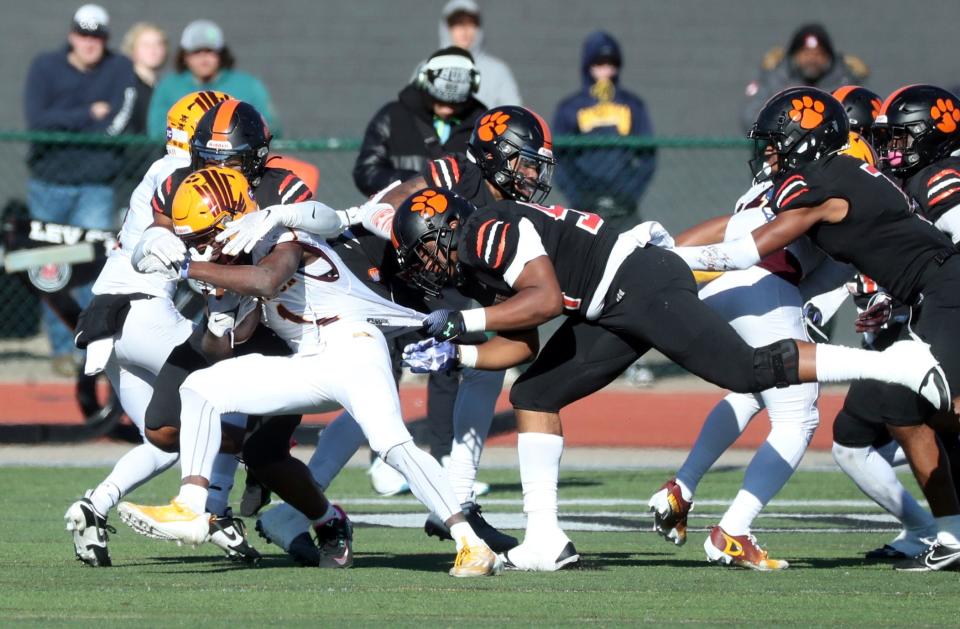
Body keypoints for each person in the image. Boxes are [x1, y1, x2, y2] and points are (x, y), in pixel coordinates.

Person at [119, 166, 504, 578]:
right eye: (194, 242)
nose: (201, 248)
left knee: (392, 445)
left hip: (353, 344)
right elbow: (223, 347)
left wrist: (186, 270)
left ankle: (471, 544)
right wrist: (218, 314)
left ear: (234, 218)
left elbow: (268, 280)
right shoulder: (231, 264)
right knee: (201, 387)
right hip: (309, 358)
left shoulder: (279, 235)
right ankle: (193, 508)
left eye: (205, 235)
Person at [669, 86, 960, 571]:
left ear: (807, 141)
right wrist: (889, 299)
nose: (768, 153)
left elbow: (744, 251)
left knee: (934, 405)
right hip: (928, 292)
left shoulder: (826, 180)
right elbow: (889, 252)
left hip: (947, 288)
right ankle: (949, 534)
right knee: (887, 410)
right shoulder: (846, 174)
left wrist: (661, 259)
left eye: (776, 141)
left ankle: (950, 532)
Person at [646, 134, 875, 571]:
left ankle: (682, 487)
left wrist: (671, 262)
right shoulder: (829, 190)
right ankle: (733, 529)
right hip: (765, 286)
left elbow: (728, 227)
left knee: (752, 390)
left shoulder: (772, 185)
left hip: (721, 284)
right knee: (799, 416)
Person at [62, 90, 263, 567]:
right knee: (225, 397)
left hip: (106, 320)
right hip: (144, 311)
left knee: (164, 439)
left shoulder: (163, 169)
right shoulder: (180, 176)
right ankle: (215, 510)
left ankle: (95, 505)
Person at [24, 4, 138, 376]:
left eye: (97, 36)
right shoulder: (45, 66)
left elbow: (118, 124)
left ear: (105, 39)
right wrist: (88, 114)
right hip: (48, 182)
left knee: (92, 270)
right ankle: (61, 349)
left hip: (95, 184)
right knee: (50, 267)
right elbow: (37, 120)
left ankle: (89, 344)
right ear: (72, 35)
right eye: (84, 35)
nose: (90, 43)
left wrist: (68, 123)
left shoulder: (119, 68)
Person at [553, 31, 656, 231]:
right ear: (587, 66)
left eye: (611, 65)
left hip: (624, 204)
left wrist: (629, 191)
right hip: (584, 202)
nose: (605, 71)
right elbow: (559, 157)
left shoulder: (633, 104)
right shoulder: (570, 107)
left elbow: (648, 155)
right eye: (599, 65)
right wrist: (578, 194)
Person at [354, 46, 487, 196]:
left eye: (456, 103)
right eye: (440, 101)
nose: (448, 109)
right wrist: (420, 183)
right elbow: (366, 172)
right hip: (399, 214)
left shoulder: (484, 126)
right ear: (423, 83)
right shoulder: (392, 116)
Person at [146, 19, 279, 139]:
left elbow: (271, 127)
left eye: (210, 51)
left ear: (221, 54)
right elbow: (156, 131)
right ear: (185, 55)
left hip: (236, 160)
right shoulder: (169, 87)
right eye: (196, 51)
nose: (204, 58)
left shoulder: (249, 86)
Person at [740, 24, 869, 132]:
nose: (812, 59)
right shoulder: (776, 77)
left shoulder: (845, 80)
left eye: (819, 54)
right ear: (793, 55)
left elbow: (864, 119)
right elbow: (751, 118)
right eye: (806, 53)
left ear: (829, 58)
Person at [424, 0, 521, 109]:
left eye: (471, 24)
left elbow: (513, 110)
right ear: (446, 29)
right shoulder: (428, 68)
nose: (464, 30)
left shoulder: (498, 71)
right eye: (458, 24)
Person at [122, 23, 168, 134]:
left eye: (158, 44)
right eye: (146, 45)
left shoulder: (163, 87)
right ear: (132, 50)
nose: (153, 50)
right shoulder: (127, 85)